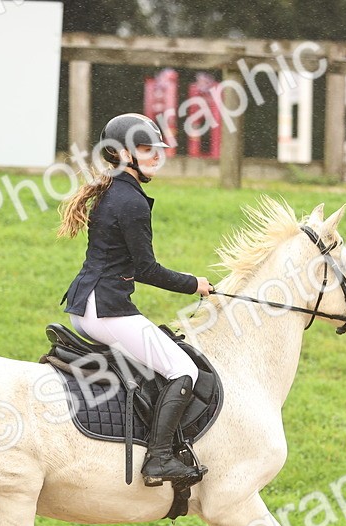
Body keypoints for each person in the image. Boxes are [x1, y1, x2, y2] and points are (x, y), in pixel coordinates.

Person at [57, 113, 212, 485]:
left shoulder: (115, 189)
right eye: (146, 149)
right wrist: (195, 284)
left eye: (156, 149)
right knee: (183, 370)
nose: (155, 157)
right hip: (106, 309)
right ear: (123, 153)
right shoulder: (131, 202)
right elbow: (146, 268)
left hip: (87, 304)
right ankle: (158, 459)